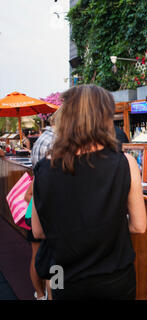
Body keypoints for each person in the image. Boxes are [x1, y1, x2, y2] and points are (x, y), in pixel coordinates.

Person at [31, 84, 147, 300]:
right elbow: (139, 226)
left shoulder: (44, 169)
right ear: (104, 118)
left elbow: (38, 231)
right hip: (115, 278)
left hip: (63, 277)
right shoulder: (126, 163)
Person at [24, 111, 60, 300]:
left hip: (35, 205)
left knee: (38, 255)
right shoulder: (54, 142)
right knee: (52, 260)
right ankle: (49, 295)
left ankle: (40, 295)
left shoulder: (41, 138)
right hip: (46, 206)